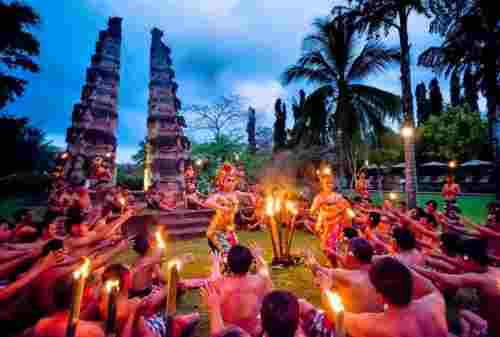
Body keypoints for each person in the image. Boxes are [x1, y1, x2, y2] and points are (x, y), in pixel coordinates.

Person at [329, 257, 448, 337]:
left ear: (381, 296)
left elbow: (340, 318)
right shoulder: (435, 302)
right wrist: (395, 264)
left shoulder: (378, 325)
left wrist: (327, 289)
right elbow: (427, 285)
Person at [306, 238, 382, 313]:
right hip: (374, 319)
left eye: (345, 251)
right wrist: (335, 255)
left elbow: (317, 269)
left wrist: (309, 258)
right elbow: (351, 264)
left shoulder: (348, 276)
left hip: (349, 321)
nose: (343, 254)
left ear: (351, 256)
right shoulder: (379, 270)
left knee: (324, 283)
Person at [212, 244, 272, 336]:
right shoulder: (260, 280)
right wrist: (258, 256)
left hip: (231, 333)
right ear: (251, 263)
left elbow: (214, 276)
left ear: (228, 264)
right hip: (255, 331)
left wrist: (216, 262)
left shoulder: (220, 283)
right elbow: (264, 269)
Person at [205, 163, 255, 255]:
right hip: (216, 232)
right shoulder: (219, 195)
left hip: (229, 230)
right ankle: (217, 258)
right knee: (227, 255)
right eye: (228, 180)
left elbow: (248, 195)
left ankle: (217, 257)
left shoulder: (236, 194)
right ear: (222, 182)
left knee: (236, 254)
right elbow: (208, 202)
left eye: (233, 180)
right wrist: (221, 207)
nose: (231, 183)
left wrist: (252, 197)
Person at [32, 277, 106, 337]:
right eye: (88, 293)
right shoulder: (91, 331)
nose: (92, 297)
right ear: (80, 297)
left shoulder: (40, 325)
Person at [309, 167, 351, 255]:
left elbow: (346, 208)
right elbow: (312, 211)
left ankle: (337, 255)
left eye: (331, 183)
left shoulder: (338, 196)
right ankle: (330, 256)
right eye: (326, 183)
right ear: (322, 184)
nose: (329, 185)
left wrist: (341, 211)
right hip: (325, 224)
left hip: (338, 224)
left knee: (337, 244)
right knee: (326, 246)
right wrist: (320, 211)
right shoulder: (319, 197)